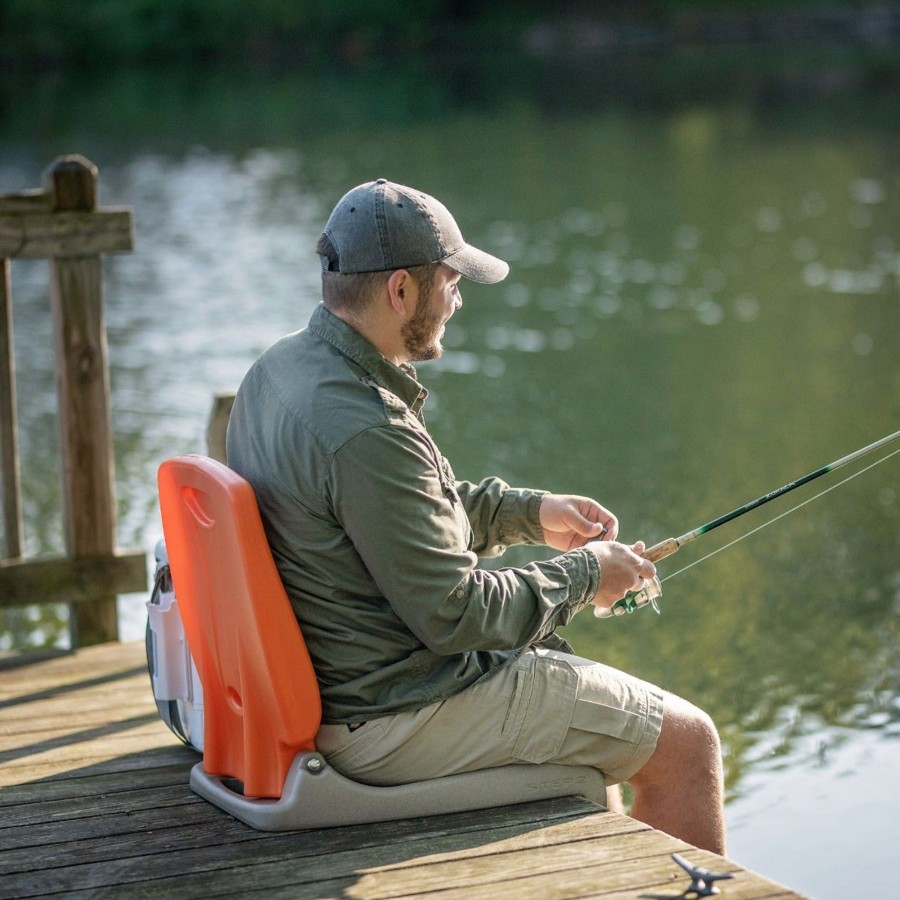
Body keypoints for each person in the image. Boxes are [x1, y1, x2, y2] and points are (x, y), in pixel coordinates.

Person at [225, 179, 726, 853]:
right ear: (401, 290)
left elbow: (393, 512)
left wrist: (529, 514)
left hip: (350, 686)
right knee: (689, 744)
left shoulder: (280, 370)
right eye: (450, 282)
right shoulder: (368, 427)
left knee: (601, 741)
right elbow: (453, 614)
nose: (458, 300)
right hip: (393, 712)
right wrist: (585, 575)